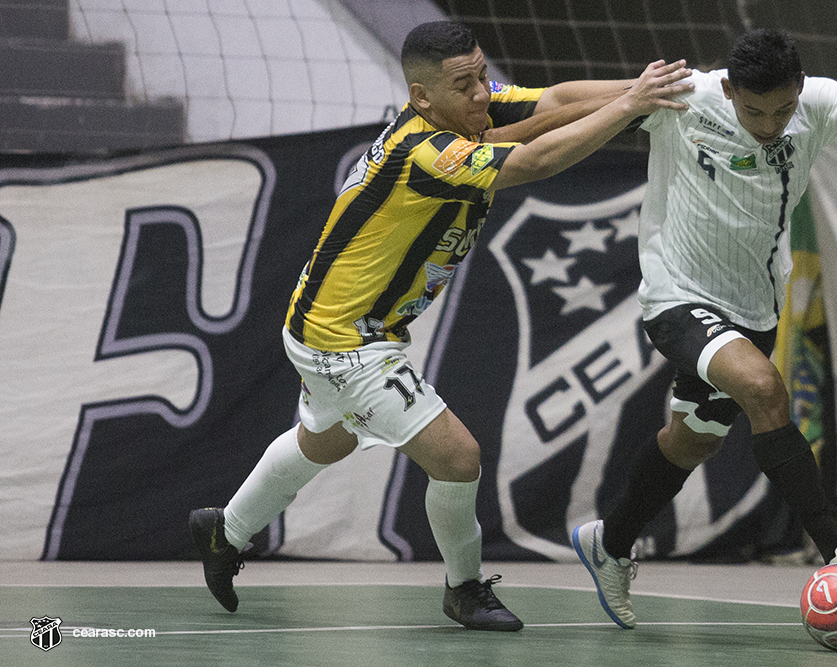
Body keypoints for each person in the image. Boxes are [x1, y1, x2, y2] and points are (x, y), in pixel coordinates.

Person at [189, 20, 693, 632]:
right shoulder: (424, 151)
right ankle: (464, 589)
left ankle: (226, 531)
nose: (483, 92)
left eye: (483, 74)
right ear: (422, 96)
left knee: (328, 439)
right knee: (457, 458)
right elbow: (533, 161)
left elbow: (556, 101)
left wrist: (644, 86)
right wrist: (633, 107)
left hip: (332, 322)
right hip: (344, 339)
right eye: (466, 84)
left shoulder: (466, 110)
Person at [572, 28, 837, 629]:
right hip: (677, 296)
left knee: (692, 440)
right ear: (728, 90)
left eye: (781, 109)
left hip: (753, 308)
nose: (769, 123)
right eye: (754, 111)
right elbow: (570, 101)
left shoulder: (816, 104)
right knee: (764, 389)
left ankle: (611, 542)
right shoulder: (688, 98)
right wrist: (501, 114)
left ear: (799, 89)